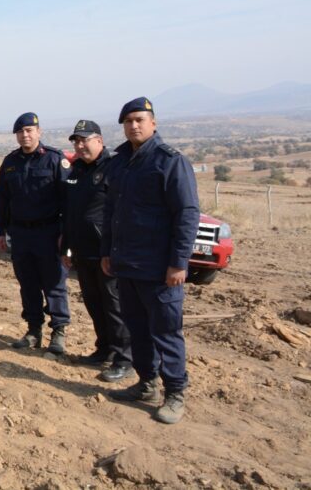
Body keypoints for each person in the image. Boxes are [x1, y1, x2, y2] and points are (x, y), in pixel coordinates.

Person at [103, 97, 199, 425]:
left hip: (159, 268)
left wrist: (179, 262)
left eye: (139, 120)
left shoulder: (169, 161)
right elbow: (110, 212)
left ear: (153, 123)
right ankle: (146, 384)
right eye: (128, 121)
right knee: (138, 329)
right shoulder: (119, 163)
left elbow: (186, 214)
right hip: (127, 264)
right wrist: (107, 252)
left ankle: (175, 392)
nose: (133, 126)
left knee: (166, 331)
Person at [0, 112, 71, 352]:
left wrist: (65, 235)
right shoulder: (10, 163)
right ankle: (33, 330)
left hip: (49, 233)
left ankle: (58, 332)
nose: (25, 135)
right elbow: (1, 200)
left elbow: (69, 202)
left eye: (29, 131)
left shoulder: (55, 160)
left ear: (39, 132)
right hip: (21, 234)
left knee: (54, 283)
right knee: (28, 283)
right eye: (20, 132)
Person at [61, 120, 132, 381]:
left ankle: (125, 358)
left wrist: (114, 249)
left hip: (106, 252)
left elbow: (120, 212)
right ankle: (104, 349)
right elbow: (70, 213)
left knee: (114, 306)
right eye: (76, 141)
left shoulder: (113, 167)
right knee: (94, 303)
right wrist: (66, 248)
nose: (80, 146)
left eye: (85, 140)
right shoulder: (77, 170)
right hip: (82, 250)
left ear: (99, 141)